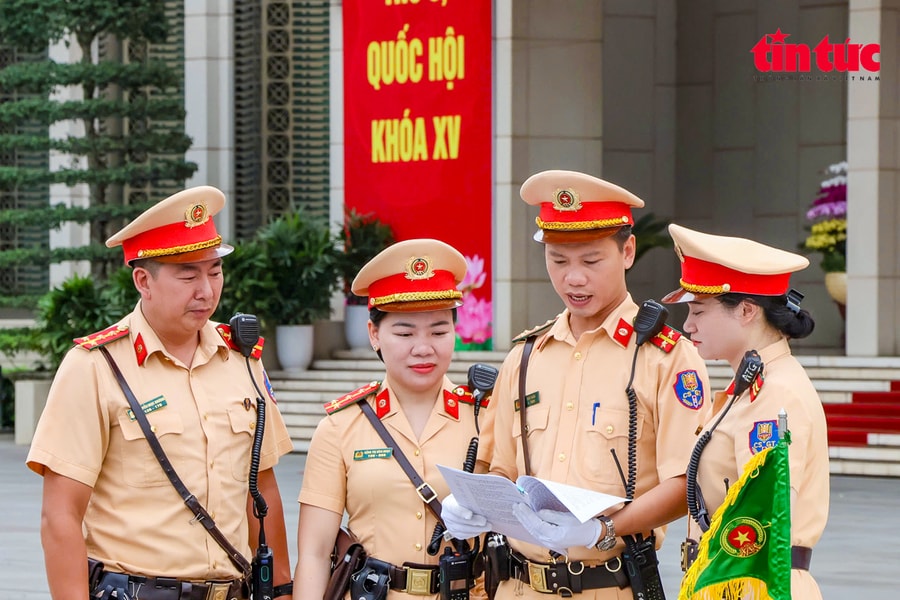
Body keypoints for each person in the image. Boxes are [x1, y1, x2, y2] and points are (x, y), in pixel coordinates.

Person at [443, 170, 711, 599]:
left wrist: (603, 528)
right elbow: (500, 468)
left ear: (627, 251)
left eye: (590, 261)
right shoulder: (526, 357)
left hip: (610, 584)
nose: (573, 279)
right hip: (518, 586)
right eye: (558, 261)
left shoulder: (666, 357)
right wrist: (469, 506)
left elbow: (687, 483)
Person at [26, 186, 295, 600]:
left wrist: (282, 591)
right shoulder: (95, 367)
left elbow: (262, 491)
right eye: (188, 274)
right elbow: (60, 515)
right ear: (143, 281)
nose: (206, 290)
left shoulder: (243, 361)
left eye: (215, 271)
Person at [294, 238, 491, 600]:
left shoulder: (487, 419)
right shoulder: (340, 427)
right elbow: (314, 554)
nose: (423, 347)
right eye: (404, 332)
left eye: (438, 331)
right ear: (374, 335)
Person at [661, 223, 829, 598]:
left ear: (747, 311)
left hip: (755, 585)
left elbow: (762, 519)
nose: (687, 325)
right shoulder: (754, 385)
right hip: (731, 581)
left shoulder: (775, 394)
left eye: (699, 311)